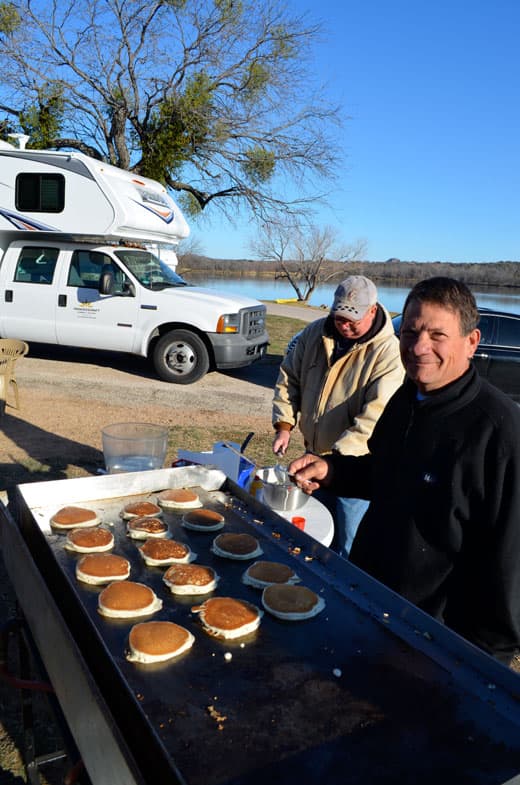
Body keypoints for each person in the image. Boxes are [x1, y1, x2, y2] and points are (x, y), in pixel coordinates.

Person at [289, 276, 520, 665]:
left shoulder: (500, 433)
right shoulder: (405, 399)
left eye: (436, 334)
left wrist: (476, 670)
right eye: (410, 331)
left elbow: (510, 577)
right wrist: (332, 470)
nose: (418, 346)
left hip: (435, 641)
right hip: (369, 599)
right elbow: (385, 473)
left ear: (472, 341)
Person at [272, 275, 403, 556]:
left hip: (354, 470)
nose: (343, 326)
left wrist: (330, 464)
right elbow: (289, 378)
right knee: (317, 538)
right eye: (339, 316)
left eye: (352, 320)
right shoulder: (315, 333)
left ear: (372, 311)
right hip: (315, 459)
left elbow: (373, 421)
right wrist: (284, 425)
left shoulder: (389, 353)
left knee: (349, 546)